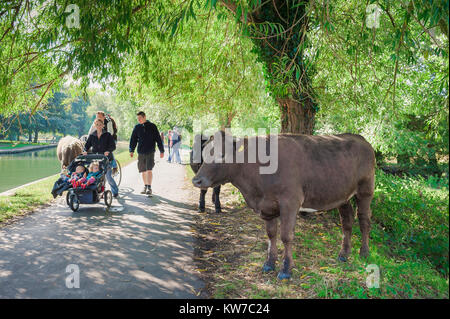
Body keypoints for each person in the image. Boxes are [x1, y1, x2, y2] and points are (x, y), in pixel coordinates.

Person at [129, 111, 164, 196]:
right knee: (143, 170)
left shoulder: (152, 126)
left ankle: (149, 187)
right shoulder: (137, 127)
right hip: (141, 152)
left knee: (149, 169)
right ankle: (145, 186)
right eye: (138, 119)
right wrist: (131, 150)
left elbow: (158, 139)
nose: (139, 120)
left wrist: (161, 150)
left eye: (140, 118)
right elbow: (133, 139)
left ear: (144, 117)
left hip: (150, 151)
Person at [82, 118, 119, 198]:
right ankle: (97, 192)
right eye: (97, 124)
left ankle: (115, 191)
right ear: (95, 126)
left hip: (106, 159)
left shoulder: (108, 135)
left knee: (108, 177)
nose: (98, 126)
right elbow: (86, 146)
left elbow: (113, 146)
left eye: (100, 124)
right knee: (96, 177)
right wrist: (84, 150)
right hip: (95, 160)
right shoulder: (92, 135)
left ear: (103, 125)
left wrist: (108, 151)